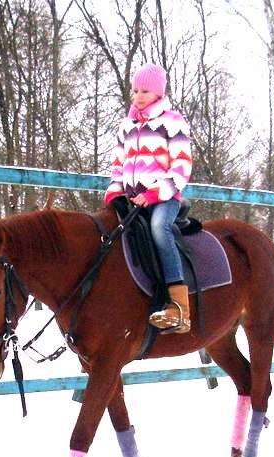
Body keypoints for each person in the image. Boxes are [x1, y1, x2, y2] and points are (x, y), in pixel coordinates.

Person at [104, 63, 194, 334]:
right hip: (132, 199)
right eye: (135, 91)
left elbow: (182, 166)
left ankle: (179, 307)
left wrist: (155, 193)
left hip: (165, 197)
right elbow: (118, 164)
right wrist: (114, 192)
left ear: (158, 93)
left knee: (158, 228)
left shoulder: (172, 122)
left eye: (145, 90)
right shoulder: (126, 126)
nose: (139, 96)